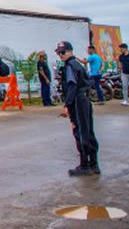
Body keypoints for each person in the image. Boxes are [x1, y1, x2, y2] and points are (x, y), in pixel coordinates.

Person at [56, 40, 99, 176]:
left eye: (63, 53)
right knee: (88, 130)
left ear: (70, 52)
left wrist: (67, 105)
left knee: (81, 132)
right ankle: (94, 164)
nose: (60, 55)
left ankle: (85, 165)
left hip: (78, 101)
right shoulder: (77, 65)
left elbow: (72, 86)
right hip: (83, 99)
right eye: (59, 53)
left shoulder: (70, 66)